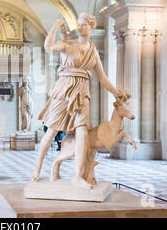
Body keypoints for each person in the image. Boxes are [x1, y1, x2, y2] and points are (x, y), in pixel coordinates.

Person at [31, 15, 120, 187]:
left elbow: (102, 77)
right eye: (79, 25)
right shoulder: (69, 44)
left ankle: (77, 176)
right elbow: (48, 46)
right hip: (64, 89)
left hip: (82, 90)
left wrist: (116, 93)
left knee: (82, 131)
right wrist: (55, 26)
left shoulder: (93, 50)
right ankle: (37, 168)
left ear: (91, 27)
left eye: (84, 24)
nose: (81, 27)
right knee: (51, 131)